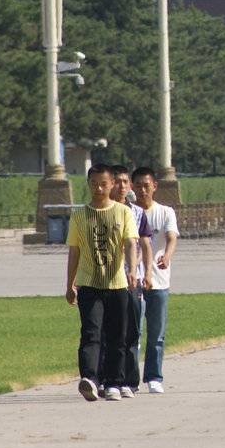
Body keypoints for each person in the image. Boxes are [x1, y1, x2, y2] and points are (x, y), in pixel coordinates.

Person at [66, 164, 140, 402]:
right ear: (88, 185)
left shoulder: (123, 213)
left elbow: (130, 243)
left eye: (103, 184)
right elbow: (74, 251)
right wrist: (70, 284)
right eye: (94, 183)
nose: (98, 188)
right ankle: (90, 378)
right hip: (89, 284)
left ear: (112, 185)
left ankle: (115, 383)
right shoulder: (79, 216)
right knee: (91, 333)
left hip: (117, 283)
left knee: (118, 336)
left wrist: (132, 270)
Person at [131, 167, 178, 394]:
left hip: (159, 281)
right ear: (132, 187)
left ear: (154, 186)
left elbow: (171, 238)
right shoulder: (127, 212)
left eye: (146, 185)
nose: (142, 190)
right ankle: (130, 377)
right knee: (134, 331)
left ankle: (154, 376)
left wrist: (167, 256)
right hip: (134, 280)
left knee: (156, 333)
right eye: (138, 185)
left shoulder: (165, 212)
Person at [109, 165, 152, 398]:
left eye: (126, 181)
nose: (123, 186)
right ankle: (110, 378)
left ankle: (129, 379)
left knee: (132, 331)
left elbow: (144, 243)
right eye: (118, 181)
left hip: (131, 279)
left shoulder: (136, 213)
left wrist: (147, 273)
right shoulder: (102, 211)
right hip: (108, 278)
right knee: (110, 331)